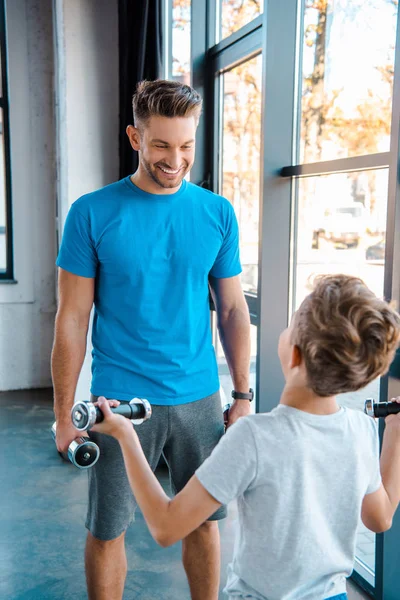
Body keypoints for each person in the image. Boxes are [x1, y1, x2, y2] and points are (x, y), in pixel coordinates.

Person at [51, 80, 253, 600]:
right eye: (161, 145)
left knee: (203, 522)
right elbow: (72, 319)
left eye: (186, 146)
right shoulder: (92, 213)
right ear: (135, 138)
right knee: (107, 527)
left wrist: (243, 394)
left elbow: (232, 309)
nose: (175, 159)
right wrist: (62, 416)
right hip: (118, 403)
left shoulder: (217, 213)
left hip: (199, 398)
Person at [92, 274, 400, 600]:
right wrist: (394, 431)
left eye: (290, 324)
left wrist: (126, 436)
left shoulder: (253, 437)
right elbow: (380, 517)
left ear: (294, 354)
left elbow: (166, 527)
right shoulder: (360, 430)